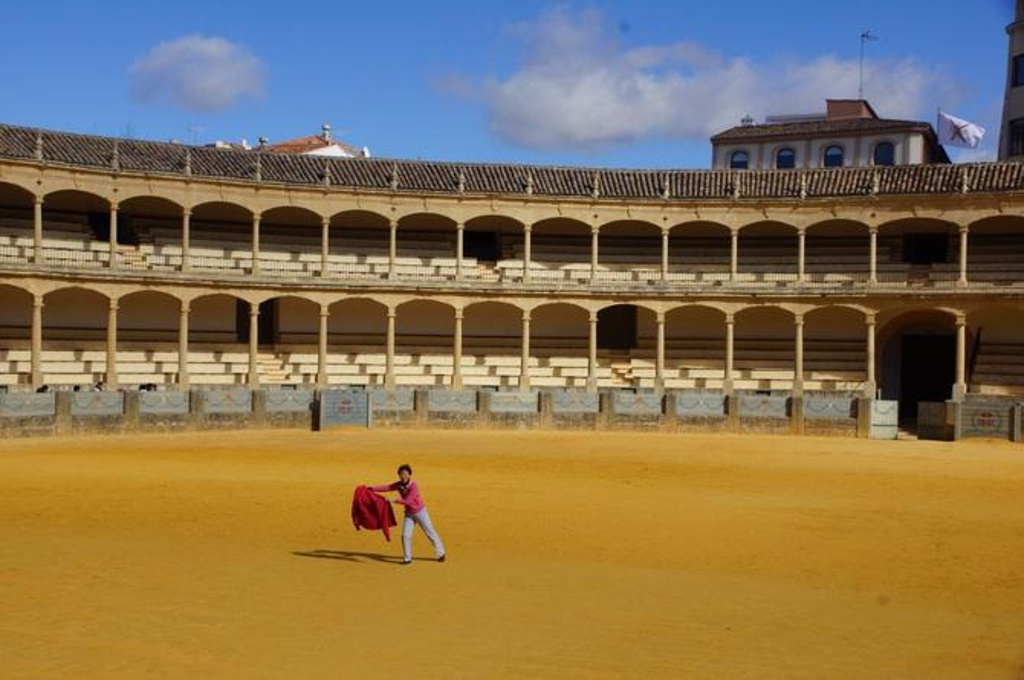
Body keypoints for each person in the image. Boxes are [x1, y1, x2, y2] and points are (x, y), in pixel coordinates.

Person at [370, 464, 446, 565]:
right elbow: (387, 487)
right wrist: (372, 489)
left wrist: (392, 500)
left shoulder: (414, 486)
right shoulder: (399, 484)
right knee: (405, 535)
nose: (403, 476)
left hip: (420, 512)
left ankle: (441, 553)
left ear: (409, 475)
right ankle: (407, 558)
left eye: (405, 474)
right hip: (409, 514)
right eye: (401, 474)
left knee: (430, 532)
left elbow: (408, 501)